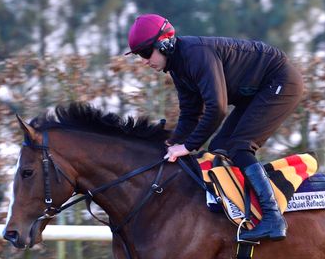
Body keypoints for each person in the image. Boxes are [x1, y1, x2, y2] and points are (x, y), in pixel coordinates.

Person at [126, 13, 304, 242]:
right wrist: (169, 145)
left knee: (240, 147)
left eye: (144, 53)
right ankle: (241, 212)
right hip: (256, 91)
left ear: (165, 43)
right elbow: (191, 114)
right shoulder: (178, 68)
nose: (143, 61)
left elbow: (217, 108)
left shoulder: (195, 55)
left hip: (280, 80)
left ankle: (273, 218)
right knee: (220, 147)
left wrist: (188, 146)